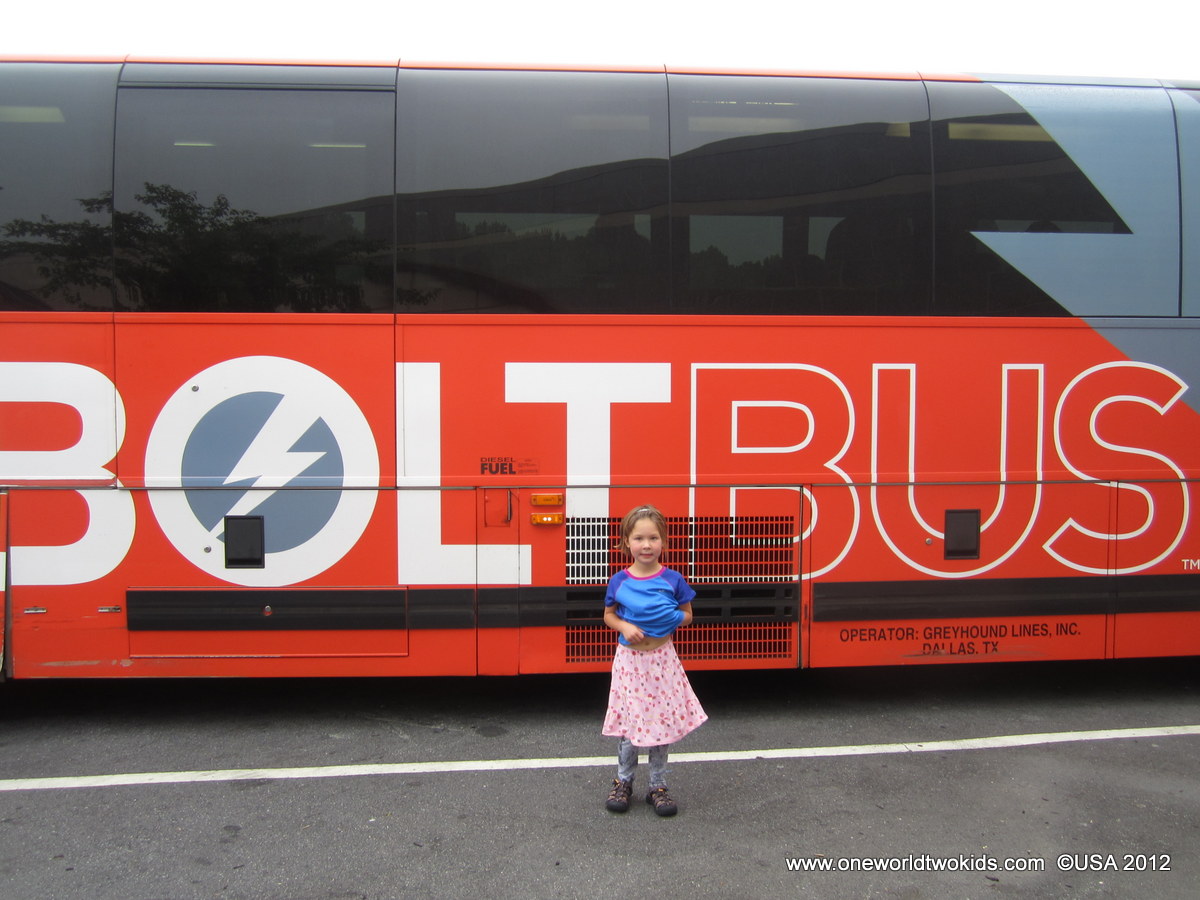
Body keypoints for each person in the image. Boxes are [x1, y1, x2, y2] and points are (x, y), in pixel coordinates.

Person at [601, 504, 707, 817]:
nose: (646, 545)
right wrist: (624, 627)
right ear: (626, 542)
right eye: (639, 538)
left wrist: (669, 618)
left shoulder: (673, 580)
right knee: (631, 724)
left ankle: (658, 786)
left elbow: (687, 615)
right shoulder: (619, 581)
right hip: (631, 662)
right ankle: (623, 781)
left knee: (661, 724)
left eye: (653, 538)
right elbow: (609, 615)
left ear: (664, 542)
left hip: (662, 661)